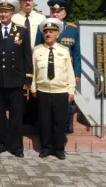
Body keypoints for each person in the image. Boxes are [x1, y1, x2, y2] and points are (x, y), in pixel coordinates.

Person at [0, 0, 33, 158]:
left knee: (16, 114)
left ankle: (16, 146)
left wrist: (28, 78)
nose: (3, 14)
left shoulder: (22, 31)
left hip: (16, 79)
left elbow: (27, 55)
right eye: (1, 11)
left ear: (12, 13)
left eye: (6, 11)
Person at [31, 18, 75, 160]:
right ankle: (46, 148)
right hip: (43, 91)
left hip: (60, 91)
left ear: (57, 34)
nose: (48, 34)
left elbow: (69, 71)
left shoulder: (64, 50)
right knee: (45, 121)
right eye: (46, 32)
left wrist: (71, 90)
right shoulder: (37, 51)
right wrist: (33, 88)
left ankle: (59, 149)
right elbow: (33, 71)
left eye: (51, 32)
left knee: (59, 121)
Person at [35, 0, 81, 134]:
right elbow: (37, 48)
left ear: (65, 14)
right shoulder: (43, 28)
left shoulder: (72, 29)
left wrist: (77, 73)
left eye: (58, 11)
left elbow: (77, 53)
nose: (55, 14)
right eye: (53, 11)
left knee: (66, 102)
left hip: (66, 72)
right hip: (47, 73)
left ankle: (66, 127)